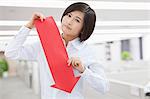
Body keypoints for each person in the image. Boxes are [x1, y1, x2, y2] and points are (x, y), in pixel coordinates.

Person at [4, 2, 109, 99]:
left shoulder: (88, 51)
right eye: (69, 15)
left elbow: (103, 87)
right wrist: (28, 26)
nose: (69, 22)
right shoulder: (44, 44)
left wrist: (83, 70)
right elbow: (11, 52)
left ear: (84, 28)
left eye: (77, 20)